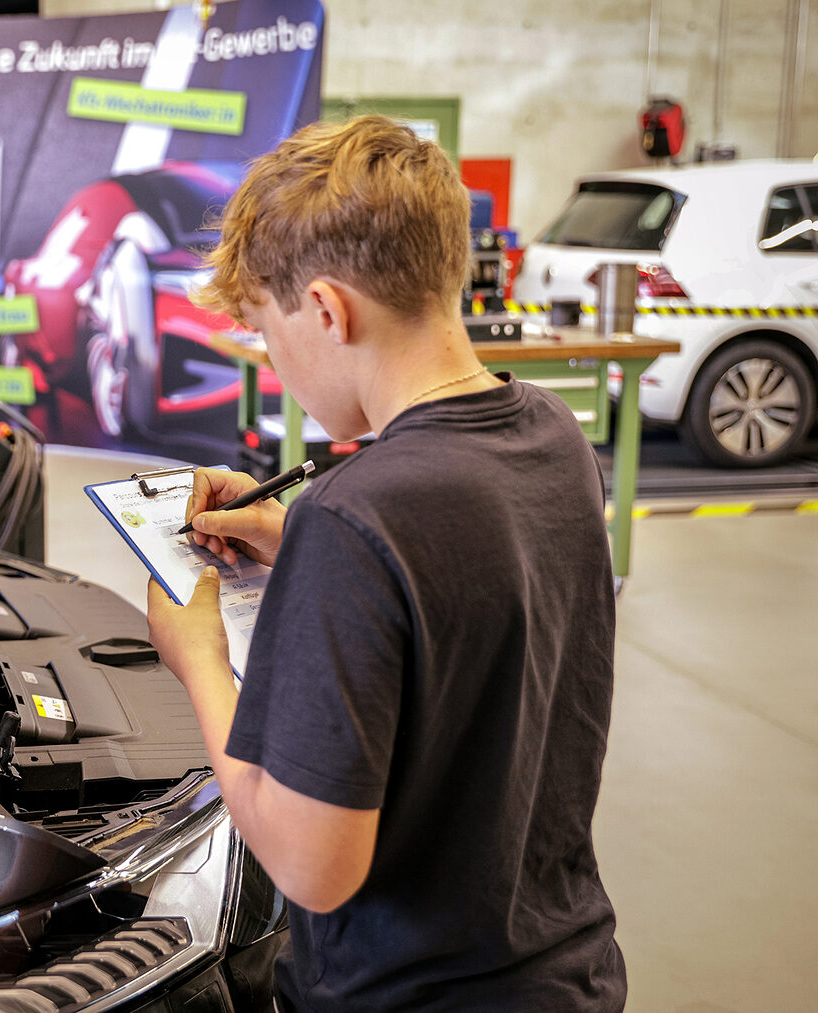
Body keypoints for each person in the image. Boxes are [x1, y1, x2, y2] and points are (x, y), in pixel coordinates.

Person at [146, 115, 625, 1010]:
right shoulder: (554, 436)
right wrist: (294, 538)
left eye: (267, 330)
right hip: (563, 972)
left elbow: (311, 866)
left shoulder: (356, 516)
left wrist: (198, 659)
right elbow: (462, 575)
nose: (277, 362)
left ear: (326, 310)